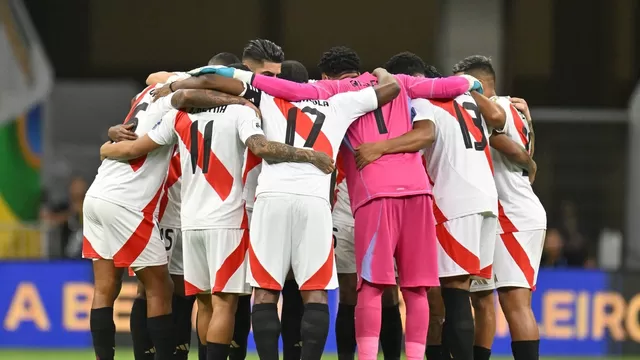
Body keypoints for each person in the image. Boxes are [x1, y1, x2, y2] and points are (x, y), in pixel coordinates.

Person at [196, 46, 483, 360]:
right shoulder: (355, 98)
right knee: (391, 290)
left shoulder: (304, 92)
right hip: (380, 195)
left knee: (283, 290)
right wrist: (472, 84)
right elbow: (427, 89)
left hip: (297, 196)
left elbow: (260, 86)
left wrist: (208, 75)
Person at [154, 63, 402, 360]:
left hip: (270, 198)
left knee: (265, 292)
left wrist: (172, 86)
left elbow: (210, 81)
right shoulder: (340, 104)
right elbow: (391, 90)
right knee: (315, 291)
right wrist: (381, 71)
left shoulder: (266, 96)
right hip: (314, 200)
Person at [100, 87, 333, 360]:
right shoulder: (241, 111)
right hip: (227, 220)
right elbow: (260, 146)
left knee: (204, 303)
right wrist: (311, 155)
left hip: (190, 221)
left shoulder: (180, 116)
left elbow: (133, 147)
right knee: (225, 305)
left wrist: (106, 146)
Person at [371, 52, 498, 360]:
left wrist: (381, 147)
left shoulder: (423, 100)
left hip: (456, 200)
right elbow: (496, 121)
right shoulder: (467, 99)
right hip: (486, 200)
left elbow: (425, 133)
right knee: (459, 292)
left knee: (454, 295)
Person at [82, 74, 197, 360]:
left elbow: (153, 76)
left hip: (96, 194)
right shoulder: (172, 108)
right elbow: (136, 147)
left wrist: (106, 145)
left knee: (105, 286)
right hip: (128, 203)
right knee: (160, 287)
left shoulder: (145, 95)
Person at [454, 55, 545, 360]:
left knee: (515, 303)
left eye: (464, 82)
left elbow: (495, 121)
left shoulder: (501, 105)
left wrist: (468, 90)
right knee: (481, 298)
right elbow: (524, 149)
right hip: (495, 216)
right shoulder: (519, 110)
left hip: (515, 216)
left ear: (477, 83)